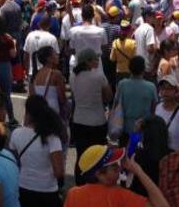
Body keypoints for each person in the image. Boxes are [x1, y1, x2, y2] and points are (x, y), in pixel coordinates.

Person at [68, 48, 111, 182]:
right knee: (98, 155)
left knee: (81, 154)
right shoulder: (99, 76)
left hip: (79, 120)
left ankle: (80, 183)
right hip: (97, 121)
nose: (98, 60)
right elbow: (108, 96)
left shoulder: (73, 76)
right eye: (95, 58)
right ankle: (96, 181)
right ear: (88, 61)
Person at [115, 56, 157, 137]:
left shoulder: (122, 84)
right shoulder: (151, 86)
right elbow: (154, 109)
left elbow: (116, 105)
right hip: (144, 127)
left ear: (129, 68)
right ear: (143, 69)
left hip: (124, 127)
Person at [29, 46, 68, 119]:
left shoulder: (35, 75)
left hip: (39, 113)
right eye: (55, 54)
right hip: (53, 112)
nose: (57, 56)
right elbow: (62, 98)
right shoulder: (56, 74)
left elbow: (32, 97)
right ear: (49, 59)